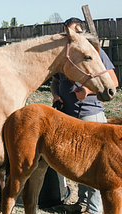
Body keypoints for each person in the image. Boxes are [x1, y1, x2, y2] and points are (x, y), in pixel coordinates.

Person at [51, 18, 119, 214]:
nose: (71, 38)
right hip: (68, 117)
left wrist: (88, 92)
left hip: (90, 115)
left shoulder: (95, 52)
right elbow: (55, 81)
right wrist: (56, 94)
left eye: (74, 33)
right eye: (68, 34)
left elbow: (113, 81)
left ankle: (94, 209)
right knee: (79, 163)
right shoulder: (67, 55)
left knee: (97, 166)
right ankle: (81, 203)